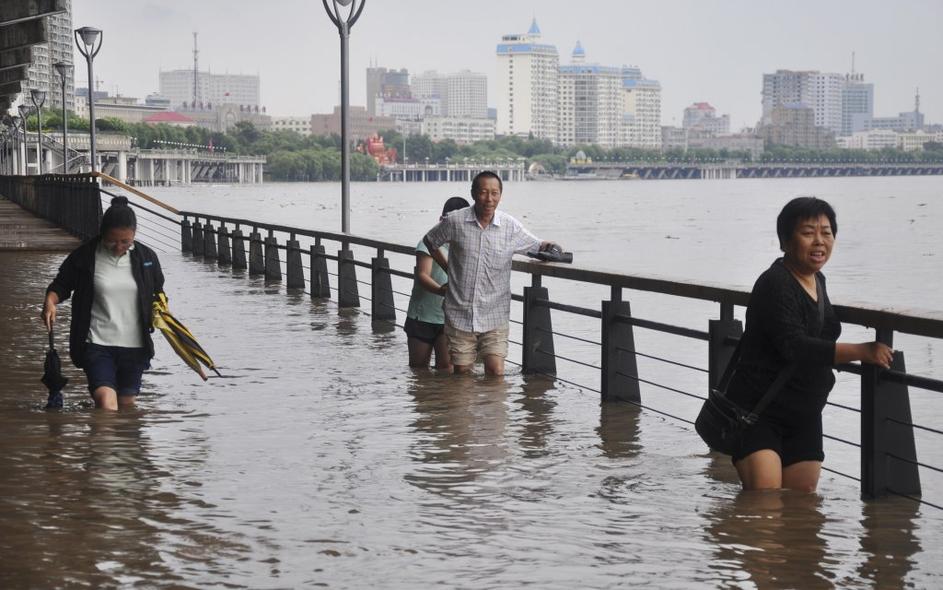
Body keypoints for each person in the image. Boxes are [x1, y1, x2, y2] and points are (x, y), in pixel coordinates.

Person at [726, 197, 893, 492]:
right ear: (785, 241)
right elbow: (796, 346)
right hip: (759, 412)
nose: (819, 241)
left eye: (826, 233)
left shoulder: (818, 280)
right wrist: (862, 351)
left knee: (801, 512)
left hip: (804, 414)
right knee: (764, 508)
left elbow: (820, 337)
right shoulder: (775, 282)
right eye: (808, 233)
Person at [423, 171, 558, 376]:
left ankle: (492, 408)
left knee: (496, 372)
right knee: (463, 373)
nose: (489, 199)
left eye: (494, 193)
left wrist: (552, 246)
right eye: (484, 192)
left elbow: (535, 244)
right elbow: (430, 241)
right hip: (460, 310)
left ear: (500, 196)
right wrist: (448, 267)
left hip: (495, 312)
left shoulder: (509, 226)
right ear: (473, 193)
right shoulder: (455, 222)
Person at [42, 196, 165, 411]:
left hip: (135, 347)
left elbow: (158, 294)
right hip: (97, 344)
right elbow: (61, 285)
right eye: (112, 241)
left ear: (134, 234)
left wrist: (163, 315)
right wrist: (50, 302)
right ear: (102, 233)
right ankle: (100, 445)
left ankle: (112, 445)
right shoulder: (85, 257)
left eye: (125, 242)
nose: (118, 247)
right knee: (107, 404)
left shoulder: (147, 258)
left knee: (127, 408)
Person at [405, 196, 470, 369]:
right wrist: (443, 291)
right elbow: (423, 275)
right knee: (418, 368)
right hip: (422, 315)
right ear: (441, 220)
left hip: (450, 318)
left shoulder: (466, 247)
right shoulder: (428, 243)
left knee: (446, 370)